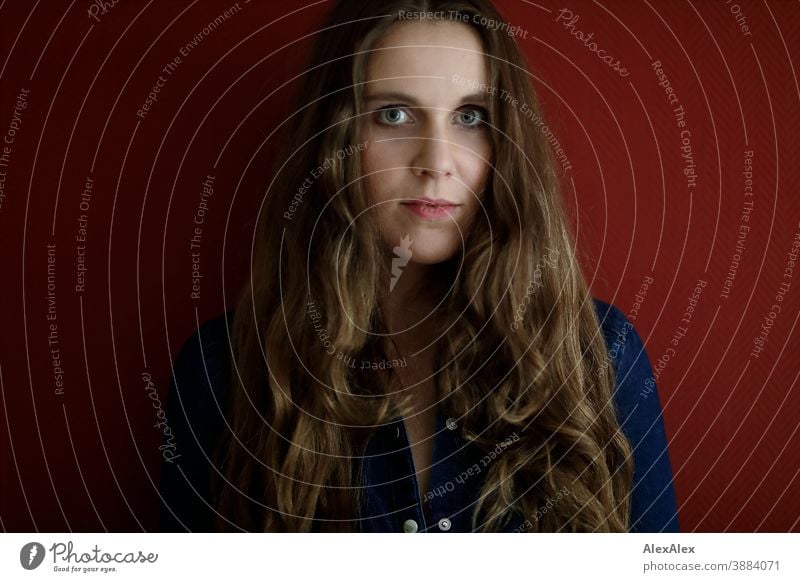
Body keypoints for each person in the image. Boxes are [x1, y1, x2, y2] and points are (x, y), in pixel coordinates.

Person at [159, 0, 679, 533]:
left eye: (470, 117)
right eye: (394, 114)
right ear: (332, 138)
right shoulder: (224, 368)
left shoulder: (599, 355)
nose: (436, 160)